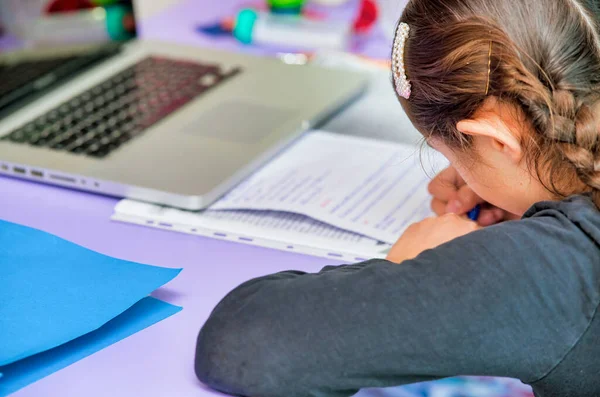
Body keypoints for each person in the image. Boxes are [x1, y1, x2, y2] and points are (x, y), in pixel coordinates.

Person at [193, 0, 600, 396]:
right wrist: (526, 195)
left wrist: (409, 270)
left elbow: (241, 344)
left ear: (495, 140)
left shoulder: (549, 270)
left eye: (449, 154)